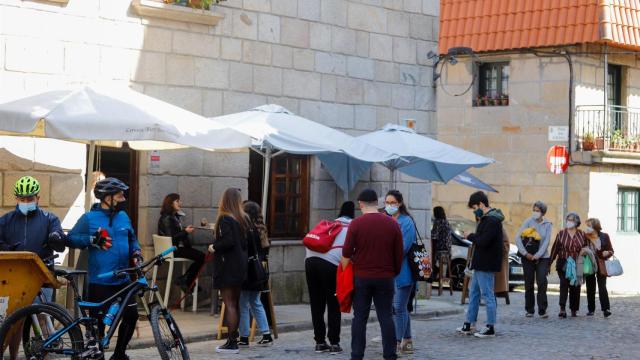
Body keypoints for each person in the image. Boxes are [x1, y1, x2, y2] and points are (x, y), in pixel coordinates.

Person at [66, 177, 141, 360]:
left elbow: (132, 239)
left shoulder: (123, 217)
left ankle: (119, 354)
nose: (123, 198)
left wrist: (137, 252)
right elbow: (70, 238)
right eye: (119, 195)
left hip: (124, 279)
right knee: (97, 325)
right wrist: (91, 240)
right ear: (107, 197)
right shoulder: (89, 218)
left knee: (131, 316)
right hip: (100, 281)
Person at [0, 176, 67, 360]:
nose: (26, 202)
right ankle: (13, 356)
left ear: (38, 198)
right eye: (22, 199)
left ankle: (46, 355)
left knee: (44, 318)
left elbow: (60, 240)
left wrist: (56, 237)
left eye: (30, 199)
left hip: (41, 277)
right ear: (16, 199)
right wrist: (7, 248)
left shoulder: (49, 219)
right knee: (15, 323)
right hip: (16, 280)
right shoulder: (5, 221)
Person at [342, 189, 403, 360]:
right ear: (378, 203)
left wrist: (345, 273)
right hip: (385, 277)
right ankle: (390, 354)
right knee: (386, 316)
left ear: (361, 204)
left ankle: (357, 354)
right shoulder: (392, 224)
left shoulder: (356, 224)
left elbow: (346, 252)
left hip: (361, 277)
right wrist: (393, 272)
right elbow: (398, 254)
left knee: (360, 317)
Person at [305, 201, 354, 354]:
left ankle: (319, 342)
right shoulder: (352, 227)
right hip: (330, 265)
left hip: (310, 262)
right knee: (334, 303)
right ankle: (334, 342)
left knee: (316, 304)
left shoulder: (332, 225)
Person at [457, 191, 504, 338]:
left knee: (487, 295)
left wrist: (469, 235)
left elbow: (483, 241)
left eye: (474, 207)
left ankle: (490, 326)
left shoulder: (492, 221)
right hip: (479, 263)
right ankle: (469, 323)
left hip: (486, 264)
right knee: (474, 293)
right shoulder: (485, 219)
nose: (474, 210)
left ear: (481, 205)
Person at [208, 188, 249, 354]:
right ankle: (234, 339)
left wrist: (213, 247)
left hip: (228, 265)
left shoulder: (225, 218)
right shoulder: (243, 218)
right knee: (235, 303)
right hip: (240, 265)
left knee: (229, 304)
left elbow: (228, 241)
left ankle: (232, 342)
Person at [384, 190, 416, 354]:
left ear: (400, 203)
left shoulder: (407, 222)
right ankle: (408, 340)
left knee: (398, 307)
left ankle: (395, 342)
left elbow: (403, 247)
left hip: (404, 272)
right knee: (400, 308)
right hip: (389, 271)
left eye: (392, 203)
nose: (389, 206)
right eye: (387, 203)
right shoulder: (386, 220)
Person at [238, 201, 273, 347]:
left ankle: (244, 337)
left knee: (243, 304)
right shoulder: (261, 229)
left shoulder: (247, 230)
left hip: (248, 271)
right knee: (256, 303)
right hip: (259, 271)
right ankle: (266, 334)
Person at [157, 193, 205, 292]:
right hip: (171, 250)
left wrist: (185, 234)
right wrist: (185, 232)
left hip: (174, 248)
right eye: (177, 201)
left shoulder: (174, 217)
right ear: (170, 203)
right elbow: (171, 239)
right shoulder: (167, 218)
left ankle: (187, 280)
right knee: (202, 257)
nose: (180, 203)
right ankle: (187, 280)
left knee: (201, 256)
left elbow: (178, 236)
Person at [514, 201, 552, 318]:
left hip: (543, 257)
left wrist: (538, 255)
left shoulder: (548, 224)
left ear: (543, 212)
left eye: (538, 210)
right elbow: (517, 237)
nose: (535, 212)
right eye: (534, 210)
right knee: (529, 283)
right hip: (527, 257)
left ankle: (542, 310)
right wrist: (525, 253)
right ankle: (529, 310)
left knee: (541, 282)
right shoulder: (528, 221)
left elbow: (546, 242)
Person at [550, 212, 588, 318]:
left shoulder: (582, 234)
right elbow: (555, 249)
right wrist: (549, 263)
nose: (569, 221)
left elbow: (586, 249)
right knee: (564, 285)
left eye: (571, 220)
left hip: (578, 263)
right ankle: (562, 309)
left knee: (575, 286)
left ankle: (574, 310)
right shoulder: (561, 234)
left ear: (576, 222)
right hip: (563, 262)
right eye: (568, 219)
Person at [584, 218, 613, 318]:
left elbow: (611, 250)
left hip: (601, 264)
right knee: (590, 287)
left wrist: (607, 253)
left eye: (589, 226)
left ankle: (606, 309)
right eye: (586, 225)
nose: (587, 228)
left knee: (602, 287)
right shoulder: (585, 237)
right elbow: (581, 249)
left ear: (595, 227)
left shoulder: (604, 236)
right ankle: (591, 309)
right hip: (589, 263)